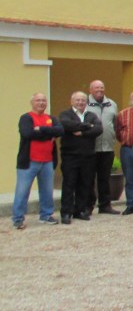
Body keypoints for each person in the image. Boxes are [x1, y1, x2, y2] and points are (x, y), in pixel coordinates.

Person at [13, 93, 64, 229]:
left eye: (43, 100)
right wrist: (49, 135)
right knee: (22, 191)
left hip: (47, 161)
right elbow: (27, 133)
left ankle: (46, 215)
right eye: (38, 100)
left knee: (47, 191)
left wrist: (41, 129)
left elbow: (60, 130)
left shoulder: (50, 118)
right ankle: (18, 218)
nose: (41, 103)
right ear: (32, 103)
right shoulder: (26, 118)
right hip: (29, 161)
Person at [58, 91, 103, 224]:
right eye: (77, 100)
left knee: (85, 184)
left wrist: (82, 132)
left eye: (83, 100)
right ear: (71, 101)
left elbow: (99, 129)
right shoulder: (66, 114)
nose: (80, 102)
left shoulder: (91, 115)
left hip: (88, 156)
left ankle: (80, 210)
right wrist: (88, 126)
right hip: (70, 156)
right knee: (69, 184)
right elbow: (67, 125)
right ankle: (66, 212)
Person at [87, 80, 120, 215]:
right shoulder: (85, 104)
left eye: (101, 87)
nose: (99, 90)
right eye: (96, 88)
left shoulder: (112, 104)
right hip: (91, 148)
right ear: (90, 90)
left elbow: (115, 124)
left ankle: (105, 205)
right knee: (89, 178)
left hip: (107, 147)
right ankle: (88, 205)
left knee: (105, 178)